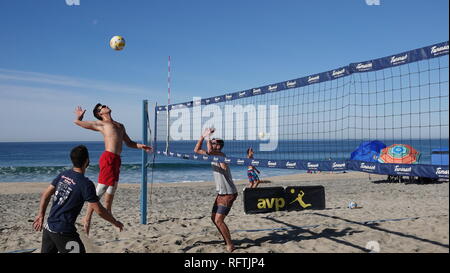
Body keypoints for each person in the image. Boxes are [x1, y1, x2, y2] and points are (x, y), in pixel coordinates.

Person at [73, 104, 152, 235]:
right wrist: (79, 117)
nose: (106, 106)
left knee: (112, 188)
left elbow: (129, 143)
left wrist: (141, 146)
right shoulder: (101, 124)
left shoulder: (120, 125)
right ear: (100, 113)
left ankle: (108, 211)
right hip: (108, 158)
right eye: (103, 106)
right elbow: (78, 122)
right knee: (101, 188)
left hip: (117, 159)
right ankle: (86, 218)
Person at [33, 145, 123, 253]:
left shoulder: (63, 175)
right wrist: (115, 222)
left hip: (48, 228)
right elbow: (99, 210)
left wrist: (41, 214)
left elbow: (45, 195)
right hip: (64, 232)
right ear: (87, 161)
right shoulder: (85, 184)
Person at [194, 128, 238, 252]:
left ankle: (230, 244)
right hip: (221, 193)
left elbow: (209, 150)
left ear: (219, 146)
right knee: (214, 218)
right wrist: (202, 136)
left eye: (214, 143)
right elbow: (196, 150)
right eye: (212, 142)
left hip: (229, 193)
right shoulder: (212, 155)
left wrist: (208, 137)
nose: (212, 144)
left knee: (219, 220)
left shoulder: (220, 155)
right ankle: (227, 240)